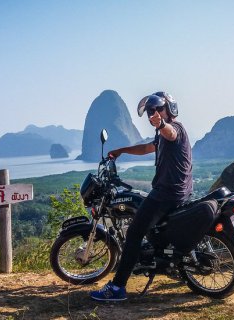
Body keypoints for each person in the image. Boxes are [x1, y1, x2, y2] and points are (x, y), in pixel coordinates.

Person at [90, 91, 193, 301]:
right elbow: (147, 147)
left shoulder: (176, 129)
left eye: (158, 109)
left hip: (167, 194)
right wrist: (120, 150)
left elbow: (170, 132)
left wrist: (162, 124)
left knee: (134, 233)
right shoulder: (161, 137)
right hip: (176, 192)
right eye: (150, 111)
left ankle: (117, 288)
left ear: (170, 109)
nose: (153, 113)